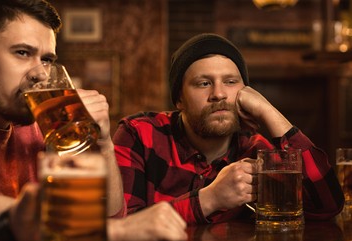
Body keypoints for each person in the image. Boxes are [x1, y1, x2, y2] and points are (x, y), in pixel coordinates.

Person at [113, 33, 345, 225]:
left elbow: (327, 205)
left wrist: (268, 111)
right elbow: (120, 227)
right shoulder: (139, 134)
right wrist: (210, 199)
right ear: (179, 100)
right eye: (204, 83)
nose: (219, 94)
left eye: (231, 82)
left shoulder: (254, 149)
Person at [0, 0, 126, 225]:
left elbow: (110, 216)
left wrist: (104, 146)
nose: (40, 74)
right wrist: (103, 229)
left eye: (46, 60)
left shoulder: (42, 123)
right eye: (22, 52)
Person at [0, 183, 187, 241]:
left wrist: (103, 142)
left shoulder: (33, 126)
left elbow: (110, 214)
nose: (41, 74)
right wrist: (115, 230)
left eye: (48, 68)